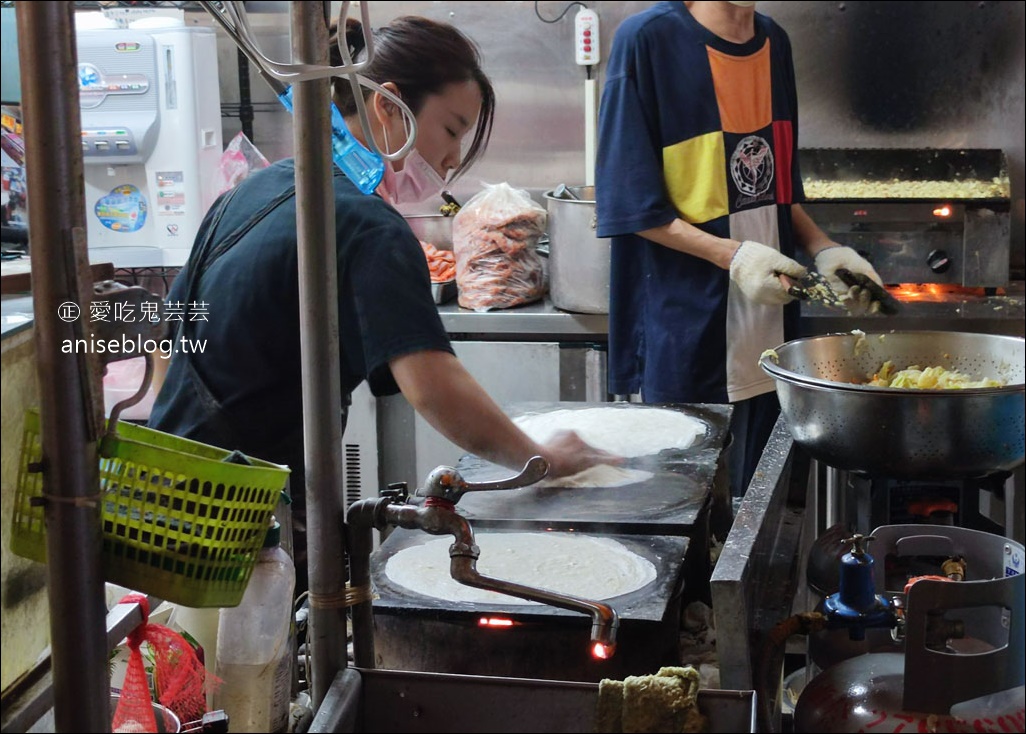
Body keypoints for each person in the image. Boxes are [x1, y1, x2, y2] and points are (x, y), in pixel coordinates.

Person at [149, 16, 619, 593]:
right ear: (389, 107)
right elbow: (432, 384)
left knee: (195, 669)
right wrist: (537, 458)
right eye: (452, 130)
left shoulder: (252, 191)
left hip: (160, 506)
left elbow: (169, 343)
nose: (452, 160)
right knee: (267, 674)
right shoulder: (367, 224)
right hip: (246, 527)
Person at [595, 1, 885, 502]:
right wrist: (733, 256)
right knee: (690, 520)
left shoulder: (775, 42)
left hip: (772, 333)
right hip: (687, 337)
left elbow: (774, 191)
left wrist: (824, 247)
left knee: (762, 524)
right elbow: (629, 204)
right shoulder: (647, 40)